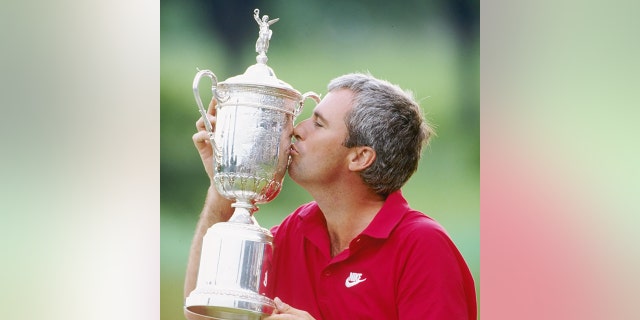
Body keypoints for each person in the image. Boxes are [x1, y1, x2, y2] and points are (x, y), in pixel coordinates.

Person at [185, 73, 477, 319]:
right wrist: (223, 188)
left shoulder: (423, 247)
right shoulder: (296, 231)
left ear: (360, 157)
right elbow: (202, 312)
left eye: (318, 123)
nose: (297, 130)